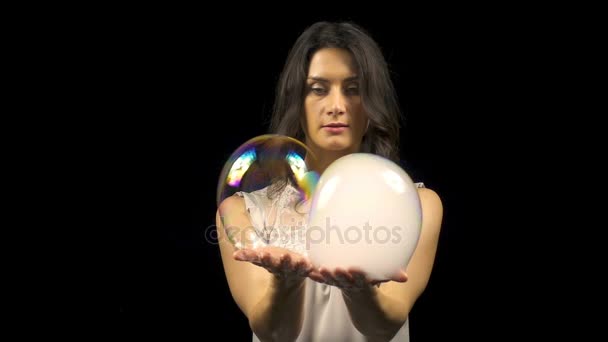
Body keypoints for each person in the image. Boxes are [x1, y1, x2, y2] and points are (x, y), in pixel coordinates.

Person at [216, 21, 443, 341]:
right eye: (319, 89)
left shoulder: (419, 206)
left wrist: (359, 291)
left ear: (370, 103)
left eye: (353, 89)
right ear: (298, 100)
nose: (337, 106)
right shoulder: (243, 211)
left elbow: (383, 328)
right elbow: (272, 331)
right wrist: (286, 283)